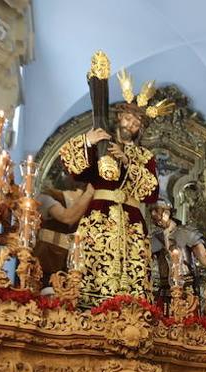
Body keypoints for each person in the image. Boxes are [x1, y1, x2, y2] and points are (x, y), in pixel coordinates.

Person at [58, 65, 166, 306]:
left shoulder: (145, 156)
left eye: (137, 123)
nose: (130, 125)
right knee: (94, 265)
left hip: (132, 222)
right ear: (119, 116)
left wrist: (128, 162)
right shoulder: (100, 142)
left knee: (132, 275)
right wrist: (88, 141)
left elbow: (151, 192)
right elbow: (74, 169)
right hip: (100, 216)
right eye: (128, 118)